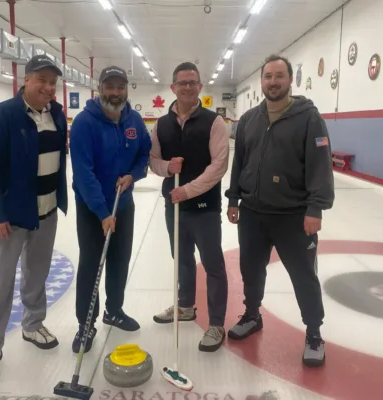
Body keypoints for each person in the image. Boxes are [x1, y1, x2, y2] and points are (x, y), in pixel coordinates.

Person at [224, 54, 335, 367]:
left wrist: (316, 207)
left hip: (294, 215)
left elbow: (320, 166)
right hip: (253, 213)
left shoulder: (309, 117)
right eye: (268, 76)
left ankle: (314, 333)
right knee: (251, 270)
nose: (273, 82)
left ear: (290, 80)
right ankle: (252, 315)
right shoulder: (248, 120)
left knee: (303, 276)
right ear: (261, 82)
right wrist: (234, 198)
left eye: (279, 76)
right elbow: (240, 162)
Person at [0, 55, 68, 378]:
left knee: (37, 274)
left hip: (47, 211)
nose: (48, 87)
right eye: (41, 80)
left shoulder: (56, 114)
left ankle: (33, 324)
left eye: (52, 82)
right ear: (25, 80)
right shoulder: (1, 116)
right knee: (1, 282)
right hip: (11, 217)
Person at [69, 66, 152, 353]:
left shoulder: (134, 120)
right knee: (92, 265)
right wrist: (103, 213)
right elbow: (83, 173)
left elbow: (144, 153)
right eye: (109, 86)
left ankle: (113, 310)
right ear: (99, 88)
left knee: (119, 261)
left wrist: (133, 175)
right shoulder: (84, 123)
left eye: (120, 86)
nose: (115, 92)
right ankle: (85, 324)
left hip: (123, 205)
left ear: (127, 88)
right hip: (93, 209)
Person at [149, 62, 229, 352]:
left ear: (200, 87)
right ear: (172, 87)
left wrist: (188, 190)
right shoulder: (161, 124)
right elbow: (153, 160)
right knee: (181, 258)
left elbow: (219, 166)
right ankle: (185, 306)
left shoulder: (214, 122)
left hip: (204, 208)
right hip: (175, 206)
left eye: (192, 82)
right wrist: (167, 168)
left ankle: (217, 324)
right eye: (182, 83)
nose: (187, 87)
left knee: (213, 264)